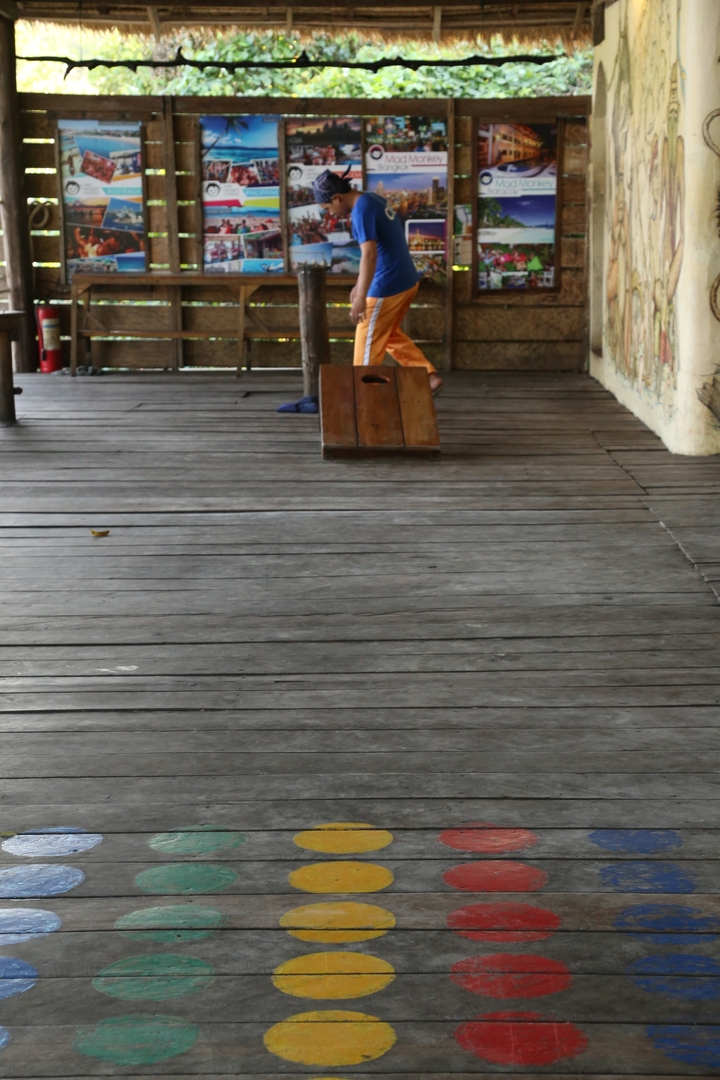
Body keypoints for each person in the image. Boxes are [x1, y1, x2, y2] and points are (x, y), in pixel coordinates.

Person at [311, 168, 442, 394]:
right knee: (388, 334)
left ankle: (363, 398)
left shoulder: (361, 212)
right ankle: (428, 376)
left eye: (328, 208)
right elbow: (382, 248)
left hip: (388, 285)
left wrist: (362, 296)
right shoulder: (371, 199)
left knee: (366, 344)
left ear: (336, 198)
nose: (331, 214)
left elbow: (369, 254)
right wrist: (360, 284)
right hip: (407, 279)